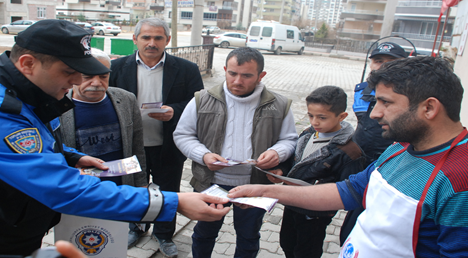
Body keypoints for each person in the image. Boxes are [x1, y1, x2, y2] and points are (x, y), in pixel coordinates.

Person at [0, 19, 230, 256]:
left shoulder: (14, 87)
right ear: (28, 63)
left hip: (10, 225)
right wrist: (175, 202)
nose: (78, 82)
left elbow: (36, 141)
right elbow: (65, 189)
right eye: (69, 72)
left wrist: (71, 155)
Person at [229, 56, 468, 258]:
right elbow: (350, 190)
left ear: (429, 107)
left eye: (386, 103)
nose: (374, 114)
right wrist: (265, 190)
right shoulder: (399, 149)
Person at [173, 47, 298, 257]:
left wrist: (278, 153)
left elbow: (289, 139)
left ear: (261, 76)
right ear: (225, 70)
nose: (238, 81)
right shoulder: (201, 99)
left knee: (248, 236)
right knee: (204, 233)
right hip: (211, 183)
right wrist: (203, 156)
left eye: (247, 75)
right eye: (232, 73)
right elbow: (182, 135)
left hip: (255, 185)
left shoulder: (279, 104)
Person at [109, 17, 204, 257]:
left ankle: (163, 234)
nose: (152, 43)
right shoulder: (117, 68)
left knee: (167, 191)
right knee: (134, 190)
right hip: (131, 147)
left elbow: (199, 103)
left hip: (168, 146)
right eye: (146, 37)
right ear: (135, 39)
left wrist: (175, 111)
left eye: (158, 38)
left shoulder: (186, 69)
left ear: (167, 40)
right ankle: (137, 226)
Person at [59, 48, 148, 245]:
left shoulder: (126, 99)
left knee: (114, 243)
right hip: (81, 190)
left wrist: (142, 183)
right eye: (88, 76)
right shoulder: (56, 104)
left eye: (103, 76)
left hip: (119, 187)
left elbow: (137, 146)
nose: (97, 83)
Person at [268, 86, 367, 258]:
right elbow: (296, 161)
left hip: (315, 213)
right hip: (292, 202)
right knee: (287, 243)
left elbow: (347, 188)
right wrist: (281, 170)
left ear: (342, 116)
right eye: (310, 115)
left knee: (306, 251)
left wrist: (323, 189)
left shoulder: (349, 151)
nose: (315, 122)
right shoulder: (308, 133)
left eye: (322, 117)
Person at [341, 42, 409, 243]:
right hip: (360, 159)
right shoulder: (363, 91)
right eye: (378, 61)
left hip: (389, 164)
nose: (383, 66)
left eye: (391, 62)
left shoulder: (410, 97)